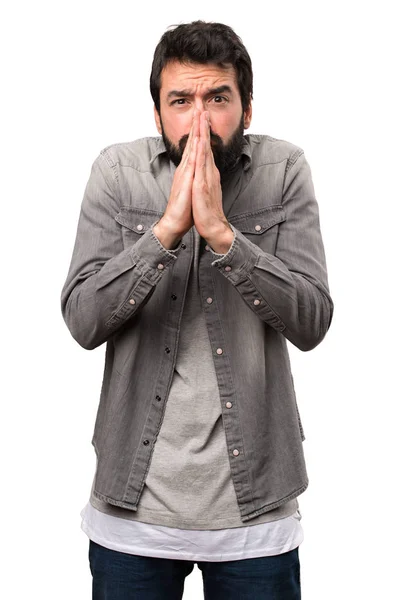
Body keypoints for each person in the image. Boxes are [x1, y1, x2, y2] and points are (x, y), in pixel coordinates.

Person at [61, 20, 333, 600]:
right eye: (181, 101)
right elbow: (82, 319)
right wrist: (165, 233)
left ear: (248, 108)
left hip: (255, 511)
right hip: (132, 513)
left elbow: (312, 320)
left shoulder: (284, 171)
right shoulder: (117, 172)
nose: (200, 120)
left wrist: (222, 236)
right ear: (157, 114)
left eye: (218, 98)